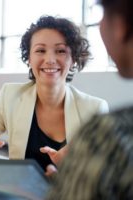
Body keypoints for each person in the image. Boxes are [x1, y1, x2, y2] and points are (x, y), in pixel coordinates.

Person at [0, 16, 109, 171]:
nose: (50, 59)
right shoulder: (10, 95)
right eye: (40, 50)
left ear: (73, 58)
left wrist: (72, 171)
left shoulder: (95, 108)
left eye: (60, 51)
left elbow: (105, 174)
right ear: (29, 58)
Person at [47, 0, 133, 199]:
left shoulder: (109, 133)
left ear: (120, 25)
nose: (50, 60)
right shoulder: (10, 93)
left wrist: (67, 184)